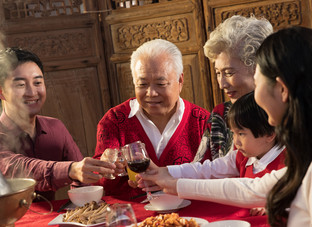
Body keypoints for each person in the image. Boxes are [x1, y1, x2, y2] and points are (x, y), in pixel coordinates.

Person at [140, 26, 312, 226]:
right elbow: (254, 188)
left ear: (282, 89)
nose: (222, 84)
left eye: (257, 79)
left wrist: (172, 182)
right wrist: (171, 181)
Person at [93, 39, 210, 200]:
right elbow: (103, 183)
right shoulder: (114, 121)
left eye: (160, 84)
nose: (151, 93)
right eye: (142, 84)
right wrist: (106, 168)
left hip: (192, 215)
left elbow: (216, 178)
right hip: (133, 217)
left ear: (180, 81)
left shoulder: (202, 121)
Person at [139, 91, 286, 216]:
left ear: (269, 134)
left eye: (241, 134)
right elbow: (206, 170)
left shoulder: (288, 161)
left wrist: (276, 205)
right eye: (233, 134)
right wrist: (165, 171)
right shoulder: (241, 157)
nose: (236, 142)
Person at [0, 47, 115, 201]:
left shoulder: (55, 127)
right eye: (20, 85)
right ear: (1, 92)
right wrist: (71, 169)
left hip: (51, 220)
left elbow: (82, 180)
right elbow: (22, 169)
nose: (32, 92)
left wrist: (104, 169)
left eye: (37, 82)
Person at [193, 15, 273, 161]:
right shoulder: (220, 115)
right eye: (218, 73)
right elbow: (199, 169)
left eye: (229, 73)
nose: (222, 84)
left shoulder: (279, 113)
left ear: (257, 68)